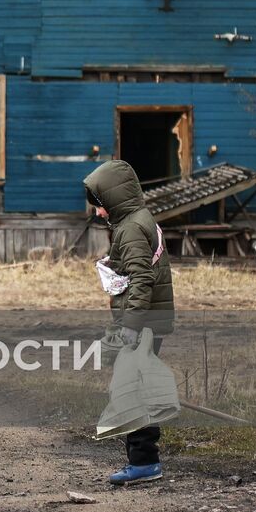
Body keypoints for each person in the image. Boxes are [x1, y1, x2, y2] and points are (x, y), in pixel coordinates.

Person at [83, 158, 175, 486]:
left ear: (113, 199)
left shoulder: (132, 227)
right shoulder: (134, 221)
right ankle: (142, 461)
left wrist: (132, 327)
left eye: (100, 205)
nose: (97, 212)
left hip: (142, 323)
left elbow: (141, 278)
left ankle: (144, 463)